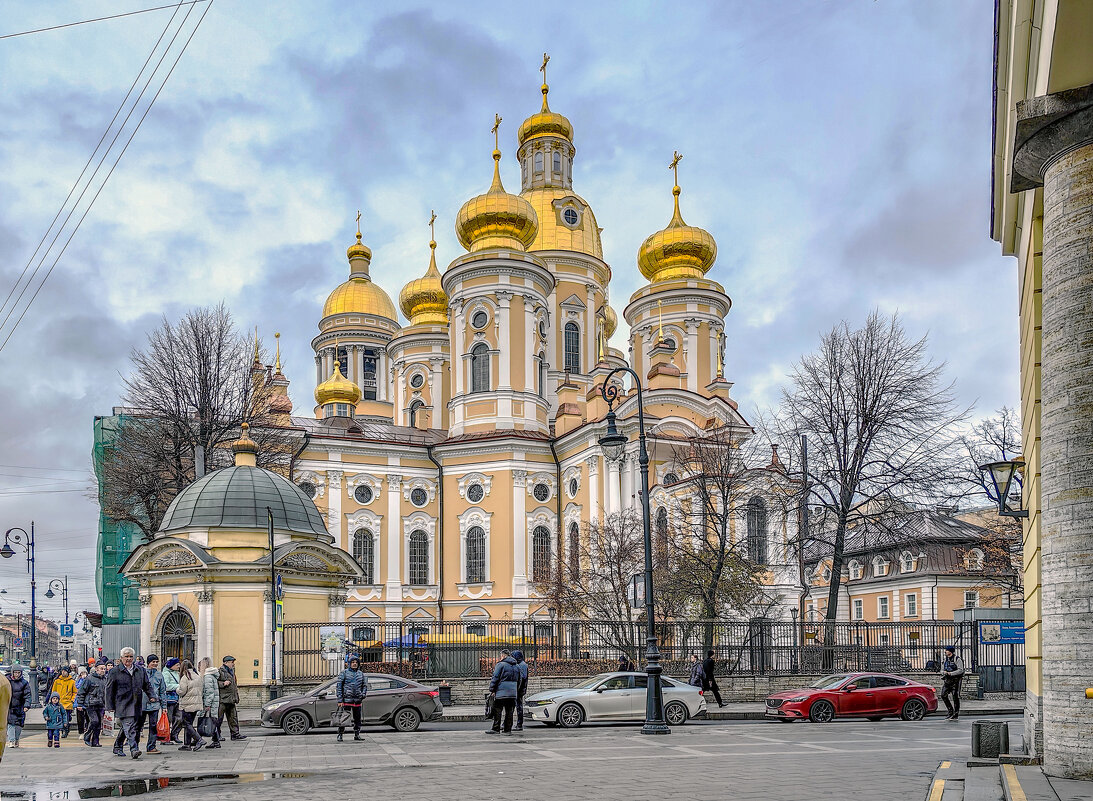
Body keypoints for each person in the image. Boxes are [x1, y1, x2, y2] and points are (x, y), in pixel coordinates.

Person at [105, 646, 157, 759]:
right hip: (122, 703)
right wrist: (109, 706)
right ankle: (134, 749)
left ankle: (118, 746)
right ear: (121, 658)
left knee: (133, 727)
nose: (128, 659)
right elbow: (109, 690)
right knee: (129, 727)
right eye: (126, 657)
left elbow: (146, 685)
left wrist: (152, 696)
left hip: (137, 703)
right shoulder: (114, 671)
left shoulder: (140, 670)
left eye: (130, 657)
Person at [486, 650, 520, 735]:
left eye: (501, 656)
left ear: (503, 656)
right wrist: (515, 689)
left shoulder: (500, 665)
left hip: (501, 692)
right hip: (512, 693)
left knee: (497, 710)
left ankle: (496, 728)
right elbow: (520, 680)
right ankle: (507, 729)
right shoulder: (517, 666)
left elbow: (495, 677)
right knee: (509, 711)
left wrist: (492, 689)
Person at [175, 660, 206, 752]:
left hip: (187, 704)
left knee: (186, 724)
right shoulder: (197, 676)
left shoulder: (185, 677)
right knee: (189, 723)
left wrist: (177, 689)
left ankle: (199, 739)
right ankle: (187, 744)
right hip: (196, 703)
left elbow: (182, 691)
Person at [139, 654, 168, 754]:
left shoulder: (159, 675)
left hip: (154, 704)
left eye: (156, 662)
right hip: (142, 703)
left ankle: (151, 746)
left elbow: (162, 691)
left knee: (153, 726)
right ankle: (134, 746)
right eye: (153, 662)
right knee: (138, 726)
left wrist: (164, 706)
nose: (155, 664)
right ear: (148, 663)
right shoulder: (142, 673)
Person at [335, 655, 367, 742]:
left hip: (357, 700)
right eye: (353, 662)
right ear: (349, 664)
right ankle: (340, 734)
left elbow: (364, 686)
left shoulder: (361, 674)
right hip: (346, 700)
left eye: (356, 662)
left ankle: (357, 734)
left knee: (357, 719)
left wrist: (363, 694)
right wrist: (340, 700)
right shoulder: (344, 673)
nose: (355, 664)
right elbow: (339, 687)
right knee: (344, 718)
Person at [76, 661, 108, 747]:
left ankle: (95, 741)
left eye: (104, 669)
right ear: (97, 669)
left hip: (101, 704)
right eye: (101, 669)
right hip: (91, 704)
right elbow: (81, 692)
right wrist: (80, 704)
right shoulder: (89, 679)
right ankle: (87, 735)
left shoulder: (105, 679)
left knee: (99, 724)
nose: (103, 671)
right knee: (94, 721)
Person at [217, 655, 246, 740]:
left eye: (233, 662)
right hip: (223, 699)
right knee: (219, 719)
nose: (233, 664)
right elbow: (215, 682)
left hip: (232, 698)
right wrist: (223, 683)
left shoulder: (232, 671)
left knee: (233, 718)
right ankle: (217, 735)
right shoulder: (220, 671)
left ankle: (235, 734)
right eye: (232, 662)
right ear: (225, 663)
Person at [199, 657, 222, 748]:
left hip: (211, 703)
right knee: (212, 721)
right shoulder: (212, 675)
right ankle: (216, 741)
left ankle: (200, 739)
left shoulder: (207, 676)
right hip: (214, 702)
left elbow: (209, 692)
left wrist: (207, 704)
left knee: (209, 721)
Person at [6, 665, 30, 749]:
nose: (17, 674)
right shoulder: (7, 681)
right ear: (12, 672)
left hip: (20, 706)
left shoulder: (24, 683)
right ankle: (11, 740)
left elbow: (27, 695)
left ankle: (16, 740)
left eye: (18, 672)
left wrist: (26, 705)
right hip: (10, 707)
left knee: (19, 725)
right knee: (11, 724)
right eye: (15, 672)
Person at [939, 645, 966, 720]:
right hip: (947, 680)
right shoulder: (945, 660)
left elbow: (961, 670)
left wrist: (951, 673)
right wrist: (943, 672)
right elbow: (941, 669)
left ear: (950, 651)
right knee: (943, 695)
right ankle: (950, 711)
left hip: (956, 681)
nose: (945, 651)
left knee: (955, 697)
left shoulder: (957, 659)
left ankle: (956, 713)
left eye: (947, 650)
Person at [52, 667, 77, 738]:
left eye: (65, 671)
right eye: (62, 671)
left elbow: (75, 692)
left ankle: (66, 728)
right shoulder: (57, 681)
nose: (63, 672)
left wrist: (72, 700)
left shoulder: (72, 682)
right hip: (59, 703)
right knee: (61, 718)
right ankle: (64, 730)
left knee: (66, 718)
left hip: (68, 703)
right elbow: (54, 691)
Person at [162, 658, 181, 743]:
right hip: (169, 699)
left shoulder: (177, 673)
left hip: (177, 699)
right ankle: (166, 737)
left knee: (179, 718)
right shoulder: (165, 674)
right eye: (177, 665)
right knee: (168, 719)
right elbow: (166, 686)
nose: (179, 666)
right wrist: (178, 686)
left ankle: (174, 734)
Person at [511, 650, 528, 732]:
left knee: (518, 707)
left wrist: (518, 688)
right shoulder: (521, 664)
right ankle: (516, 724)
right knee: (515, 706)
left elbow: (523, 678)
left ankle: (519, 724)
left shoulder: (522, 665)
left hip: (519, 689)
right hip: (519, 689)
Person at [75, 667, 89, 735]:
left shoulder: (89, 680)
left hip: (87, 702)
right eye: (82, 673)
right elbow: (78, 688)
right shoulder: (78, 680)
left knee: (88, 717)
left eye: (84, 673)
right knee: (80, 719)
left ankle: (88, 731)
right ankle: (81, 732)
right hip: (79, 702)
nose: (84, 674)